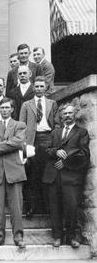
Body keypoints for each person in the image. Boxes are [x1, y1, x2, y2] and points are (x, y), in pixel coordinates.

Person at [44, 105, 90, 248]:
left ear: (75, 114)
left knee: (71, 207)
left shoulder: (81, 132)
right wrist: (56, 152)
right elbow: (46, 150)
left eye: (70, 113)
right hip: (53, 176)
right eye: (65, 113)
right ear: (61, 116)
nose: (68, 115)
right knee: (55, 207)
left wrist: (66, 162)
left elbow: (84, 155)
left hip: (70, 177)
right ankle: (57, 236)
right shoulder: (55, 133)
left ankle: (71, 237)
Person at [0, 98, 27, 249]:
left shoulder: (20, 125)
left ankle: (18, 236)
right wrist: (8, 144)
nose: (4, 110)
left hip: (14, 170)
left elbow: (18, 142)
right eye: (1, 108)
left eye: (6, 108)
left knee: (16, 206)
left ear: (12, 109)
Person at [19, 76, 59, 218]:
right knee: (31, 174)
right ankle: (32, 207)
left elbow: (57, 124)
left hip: (47, 138)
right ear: (33, 88)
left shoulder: (52, 103)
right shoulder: (26, 104)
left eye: (42, 86)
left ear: (46, 87)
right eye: (37, 86)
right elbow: (21, 127)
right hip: (31, 141)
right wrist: (24, 147)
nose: (39, 89)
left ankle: (46, 207)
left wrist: (54, 140)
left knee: (47, 173)